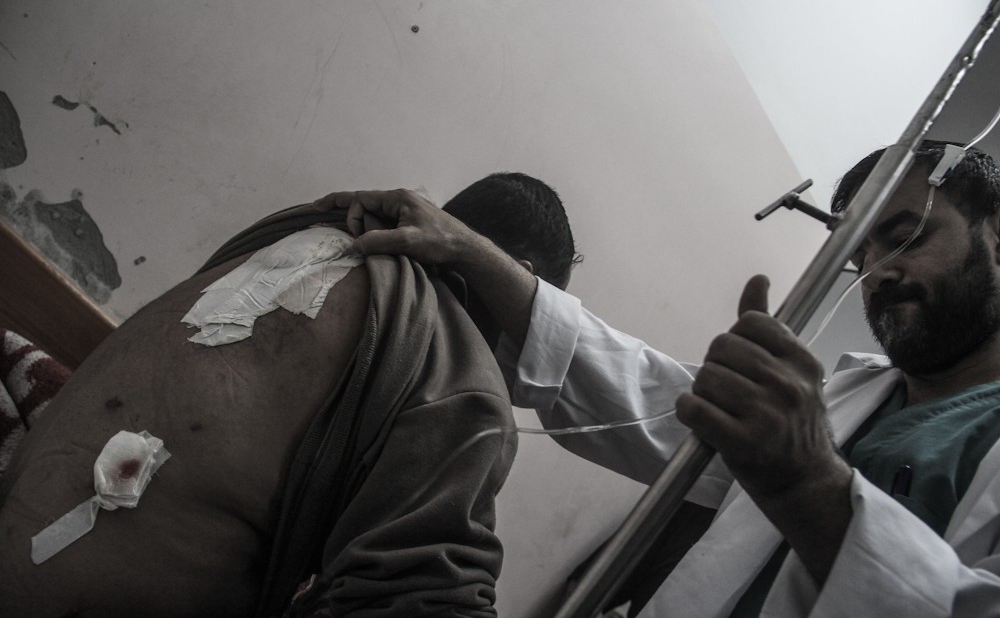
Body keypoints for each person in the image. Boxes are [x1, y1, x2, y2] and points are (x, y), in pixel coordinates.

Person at [316, 140, 1000, 616]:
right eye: (862, 252)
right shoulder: (844, 405)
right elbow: (645, 391)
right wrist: (468, 249)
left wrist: (809, 482)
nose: (878, 272)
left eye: (906, 235)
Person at [0, 172, 577, 618]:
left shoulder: (297, 235)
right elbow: (423, 602)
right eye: (537, 309)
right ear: (514, 275)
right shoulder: (461, 376)